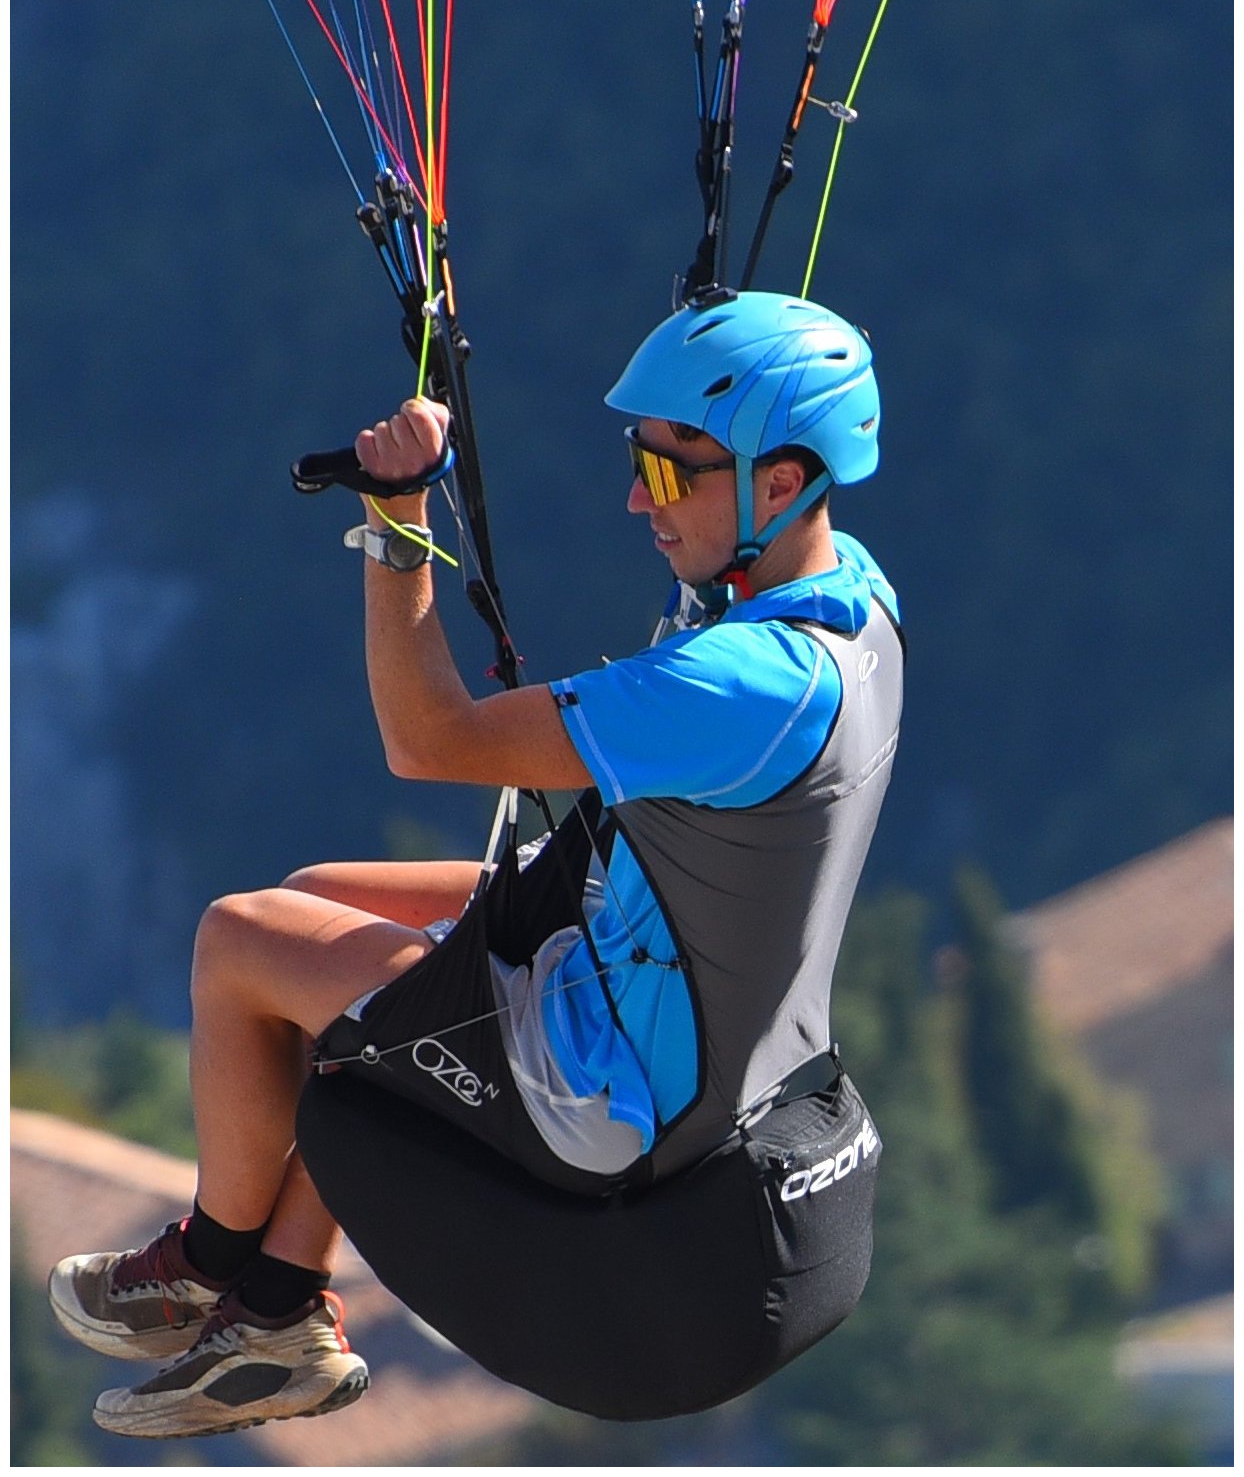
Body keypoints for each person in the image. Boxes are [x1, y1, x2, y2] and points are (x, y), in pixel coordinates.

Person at [49, 290, 903, 1437]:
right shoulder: (850, 601)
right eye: (636, 461)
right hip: (656, 966)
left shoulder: (743, 684)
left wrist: (395, 513)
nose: (636, 499)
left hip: (610, 1083)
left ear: (782, 483)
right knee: (311, 901)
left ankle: (208, 1269)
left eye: (664, 473)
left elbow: (428, 738)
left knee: (239, 942)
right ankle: (281, 1304)